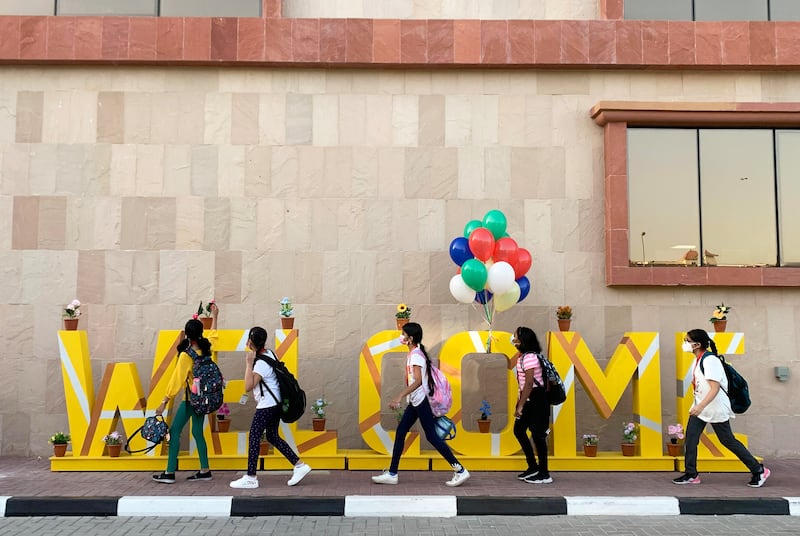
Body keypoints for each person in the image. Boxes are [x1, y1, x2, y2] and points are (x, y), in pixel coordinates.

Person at [372, 322, 470, 487]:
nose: (401, 337)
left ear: (410, 339)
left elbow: (417, 381)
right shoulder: (415, 353)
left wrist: (399, 396)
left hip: (421, 400)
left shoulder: (416, 355)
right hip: (416, 400)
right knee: (401, 431)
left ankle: (460, 470)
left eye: (403, 334)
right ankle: (392, 473)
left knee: (431, 436)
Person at [672, 328, 770, 487]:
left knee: (727, 440)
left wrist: (700, 406)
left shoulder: (710, 361)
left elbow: (714, 388)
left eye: (687, 341)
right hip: (701, 407)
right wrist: (698, 405)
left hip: (714, 407)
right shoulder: (698, 359)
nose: (684, 344)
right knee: (691, 438)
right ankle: (691, 474)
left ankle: (759, 470)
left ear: (697, 344)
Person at [230, 326, 311, 489]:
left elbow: (248, 385)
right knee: (272, 436)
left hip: (267, 406)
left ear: (251, 342)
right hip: (275, 404)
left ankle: (251, 477)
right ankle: (300, 465)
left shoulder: (259, 363)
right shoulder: (269, 353)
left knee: (254, 437)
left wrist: (248, 363)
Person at [152, 303, 219, 484]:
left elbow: (176, 381)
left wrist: (164, 402)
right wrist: (216, 317)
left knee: (174, 433)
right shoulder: (207, 349)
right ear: (200, 333)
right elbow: (214, 335)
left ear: (187, 334)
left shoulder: (186, 355)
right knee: (197, 432)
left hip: (191, 401)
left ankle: (169, 472)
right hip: (204, 400)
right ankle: (205, 470)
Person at [507, 326, 552, 484]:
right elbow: (523, 385)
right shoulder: (522, 357)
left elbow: (529, 384)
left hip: (536, 399)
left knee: (538, 436)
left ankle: (544, 473)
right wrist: (519, 403)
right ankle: (533, 466)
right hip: (527, 399)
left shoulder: (530, 357)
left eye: (516, 337)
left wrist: (520, 406)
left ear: (524, 340)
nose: (513, 340)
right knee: (519, 430)